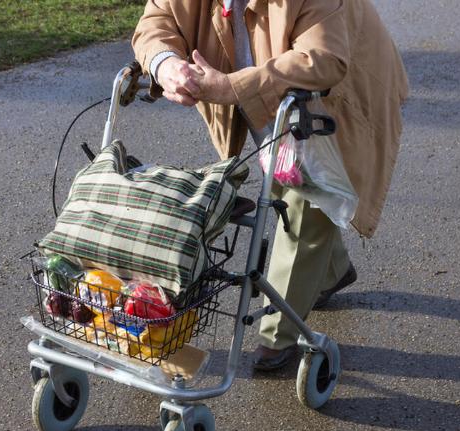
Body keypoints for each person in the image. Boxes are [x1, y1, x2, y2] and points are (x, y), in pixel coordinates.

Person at [132, 0, 408, 370]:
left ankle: (277, 334)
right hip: (270, 99)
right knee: (286, 177)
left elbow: (323, 59)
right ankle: (331, 269)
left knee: (307, 195)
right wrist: (166, 65)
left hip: (339, 93)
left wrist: (232, 86)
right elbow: (157, 21)